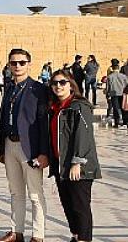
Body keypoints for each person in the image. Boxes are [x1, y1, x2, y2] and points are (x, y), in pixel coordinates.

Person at [0, 49, 50, 242]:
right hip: (10, 145)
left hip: (30, 148)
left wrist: (43, 152)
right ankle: (16, 231)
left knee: (35, 193)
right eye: (14, 63)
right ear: (9, 65)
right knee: (15, 191)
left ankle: (38, 235)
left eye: (22, 62)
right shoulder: (9, 88)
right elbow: (4, 119)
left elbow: (42, 123)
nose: (17, 66)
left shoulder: (38, 89)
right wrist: (2, 149)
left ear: (29, 64)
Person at [47, 70, 101, 242]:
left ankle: (84, 239)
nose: (58, 86)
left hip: (78, 165)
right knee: (68, 204)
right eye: (55, 83)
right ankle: (76, 236)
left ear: (71, 84)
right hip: (61, 164)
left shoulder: (79, 107)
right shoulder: (55, 108)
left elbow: (83, 135)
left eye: (62, 82)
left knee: (80, 206)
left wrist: (78, 161)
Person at [105, 60, 128, 127]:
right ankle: (125, 122)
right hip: (122, 94)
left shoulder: (109, 77)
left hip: (113, 94)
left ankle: (116, 123)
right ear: (119, 68)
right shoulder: (123, 76)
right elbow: (126, 85)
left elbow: (108, 87)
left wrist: (107, 95)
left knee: (115, 109)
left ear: (112, 68)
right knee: (123, 108)